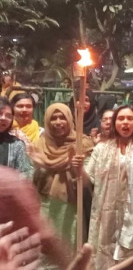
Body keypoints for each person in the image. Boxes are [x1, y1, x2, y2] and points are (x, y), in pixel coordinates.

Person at [72, 105, 133, 269]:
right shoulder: (101, 148)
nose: (125, 122)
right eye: (121, 118)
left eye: (130, 118)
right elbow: (86, 180)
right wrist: (79, 168)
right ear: (114, 123)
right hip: (106, 219)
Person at [31, 103, 94, 249]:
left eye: (62, 118)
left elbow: (88, 183)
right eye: (53, 118)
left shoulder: (82, 144)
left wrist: (77, 168)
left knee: (70, 251)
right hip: (45, 207)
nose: (58, 122)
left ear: (70, 119)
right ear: (47, 121)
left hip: (72, 209)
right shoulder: (39, 145)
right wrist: (40, 166)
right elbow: (31, 182)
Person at [0, 97, 32, 177]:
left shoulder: (17, 144)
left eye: (8, 116)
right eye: (0, 114)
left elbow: (26, 173)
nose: (3, 118)